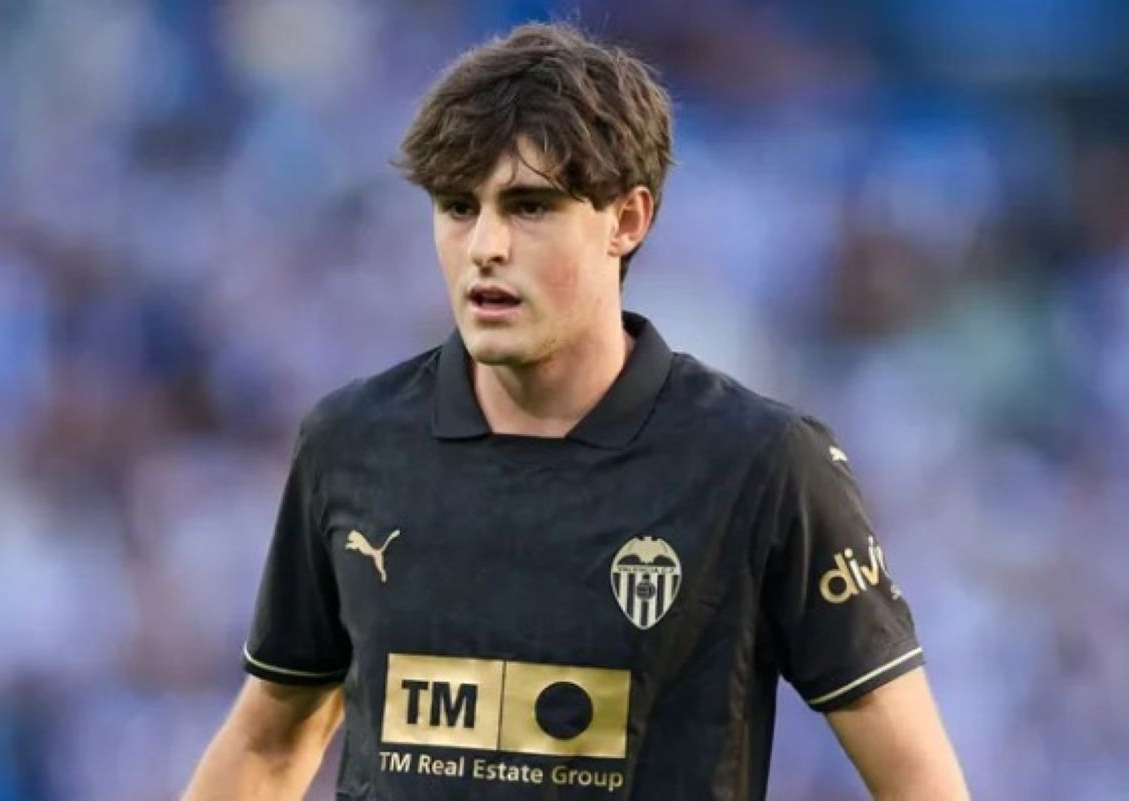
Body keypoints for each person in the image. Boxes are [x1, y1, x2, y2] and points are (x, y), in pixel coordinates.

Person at [183, 22, 969, 801]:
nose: (485, 246)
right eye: (457, 206)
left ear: (626, 220)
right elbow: (268, 741)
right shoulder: (351, 443)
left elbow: (919, 780)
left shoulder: (763, 462)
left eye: (529, 207)